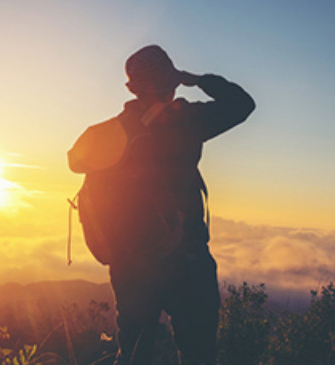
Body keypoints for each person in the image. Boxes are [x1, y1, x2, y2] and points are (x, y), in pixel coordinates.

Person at [68, 45, 255, 364]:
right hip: (188, 260)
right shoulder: (186, 121)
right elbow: (242, 104)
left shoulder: (103, 133)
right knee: (198, 354)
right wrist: (195, 79)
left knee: (135, 355)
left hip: (129, 264)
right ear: (171, 80)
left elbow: (75, 161)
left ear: (131, 87)